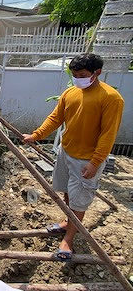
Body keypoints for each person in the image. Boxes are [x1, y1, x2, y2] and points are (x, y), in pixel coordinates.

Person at [23, 53, 124, 260]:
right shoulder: (71, 92)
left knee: (79, 201)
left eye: (82, 74)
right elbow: (56, 118)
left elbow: (108, 134)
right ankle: (69, 222)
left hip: (87, 159)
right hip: (66, 152)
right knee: (68, 193)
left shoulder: (111, 98)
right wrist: (36, 135)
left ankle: (68, 239)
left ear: (97, 73)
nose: (78, 78)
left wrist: (95, 163)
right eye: (75, 74)